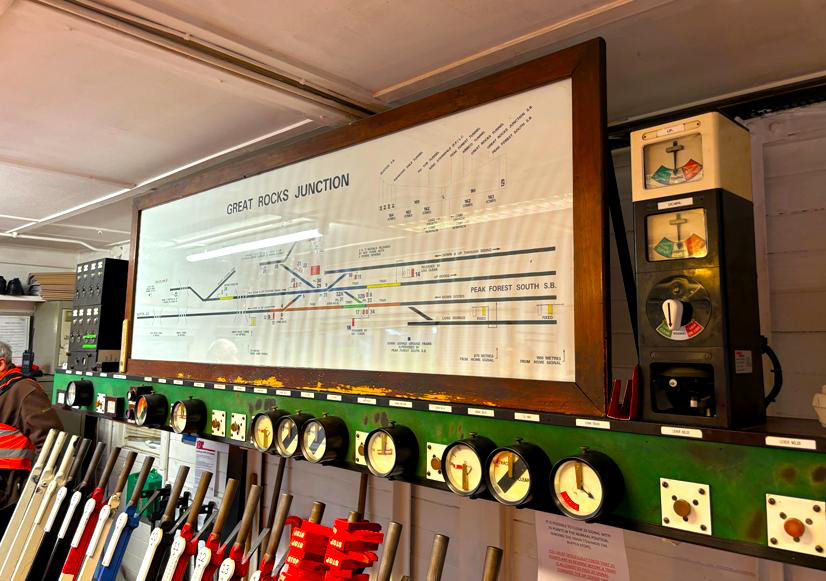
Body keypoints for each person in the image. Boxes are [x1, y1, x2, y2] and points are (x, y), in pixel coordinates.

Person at [0, 340, 63, 534]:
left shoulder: (25, 391)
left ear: (1, 364)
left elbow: (53, 441)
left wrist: (36, 491)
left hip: (9, 493)